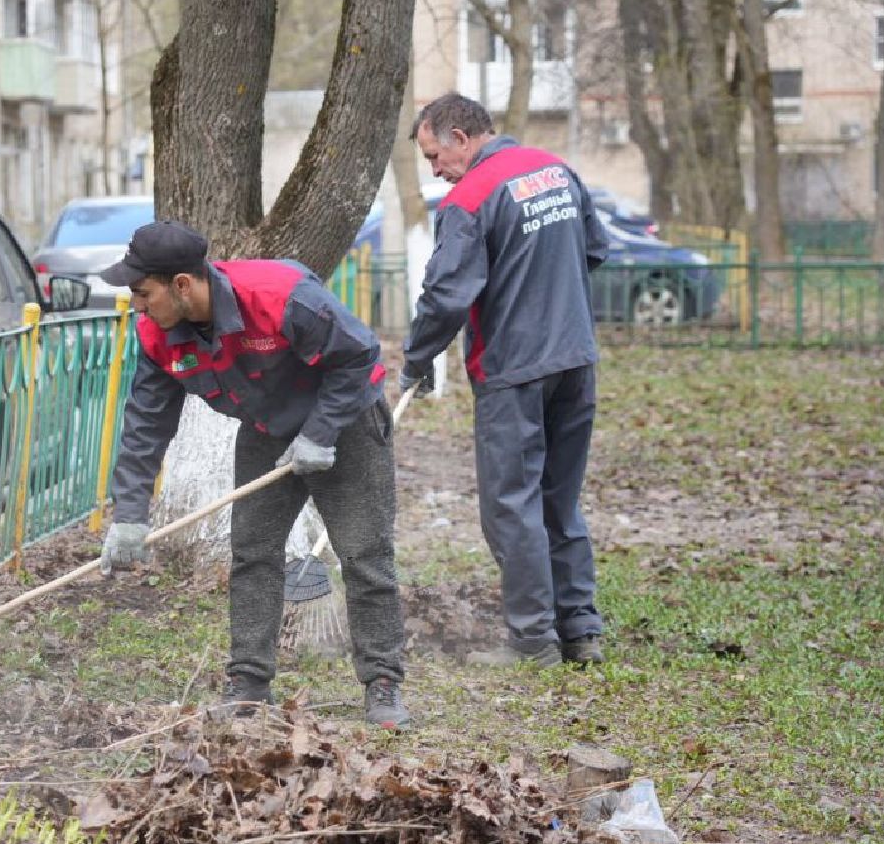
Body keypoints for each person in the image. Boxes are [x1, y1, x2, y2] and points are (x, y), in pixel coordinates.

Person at [97, 220, 410, 728]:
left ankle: (382, 682)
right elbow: (145, 426)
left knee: (364, 552)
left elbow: (358, 356)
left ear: (182, 285)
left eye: (141, 291)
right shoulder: (159, 334)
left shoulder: (280, 297)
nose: (136, 303)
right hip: (267, 428)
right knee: (253, 551)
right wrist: (129, 515)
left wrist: (321, 433)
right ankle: (249, 682)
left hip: (345, 418)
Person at [400, 92, 610, 668]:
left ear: (460, 139)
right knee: (559, 500)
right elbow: (595, 250)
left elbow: (445, 297)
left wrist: (415, 362)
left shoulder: (469, 199)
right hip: (575, 360)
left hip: (513, 370)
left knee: (511, 506)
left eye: (433, 155)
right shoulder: (556, 171)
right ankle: (581, 631)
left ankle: (534, 642)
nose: (435, 170)